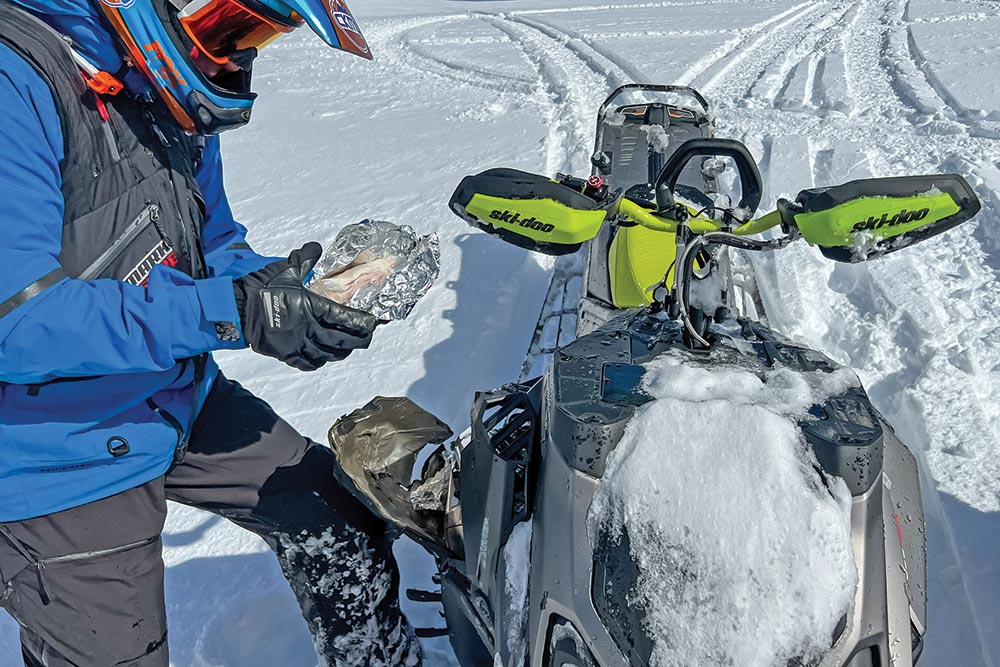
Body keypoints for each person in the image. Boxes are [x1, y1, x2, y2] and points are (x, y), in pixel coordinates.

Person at [0, 1, 421, 665]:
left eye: (255, 33)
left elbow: (212, 242)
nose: (233, 52)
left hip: (176, 394)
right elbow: (18, 324)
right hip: (54, 452)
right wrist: (228, 309)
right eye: (227, 24)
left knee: (335, 517)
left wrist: (282, 294)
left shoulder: (166, 86)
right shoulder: (15, 83)